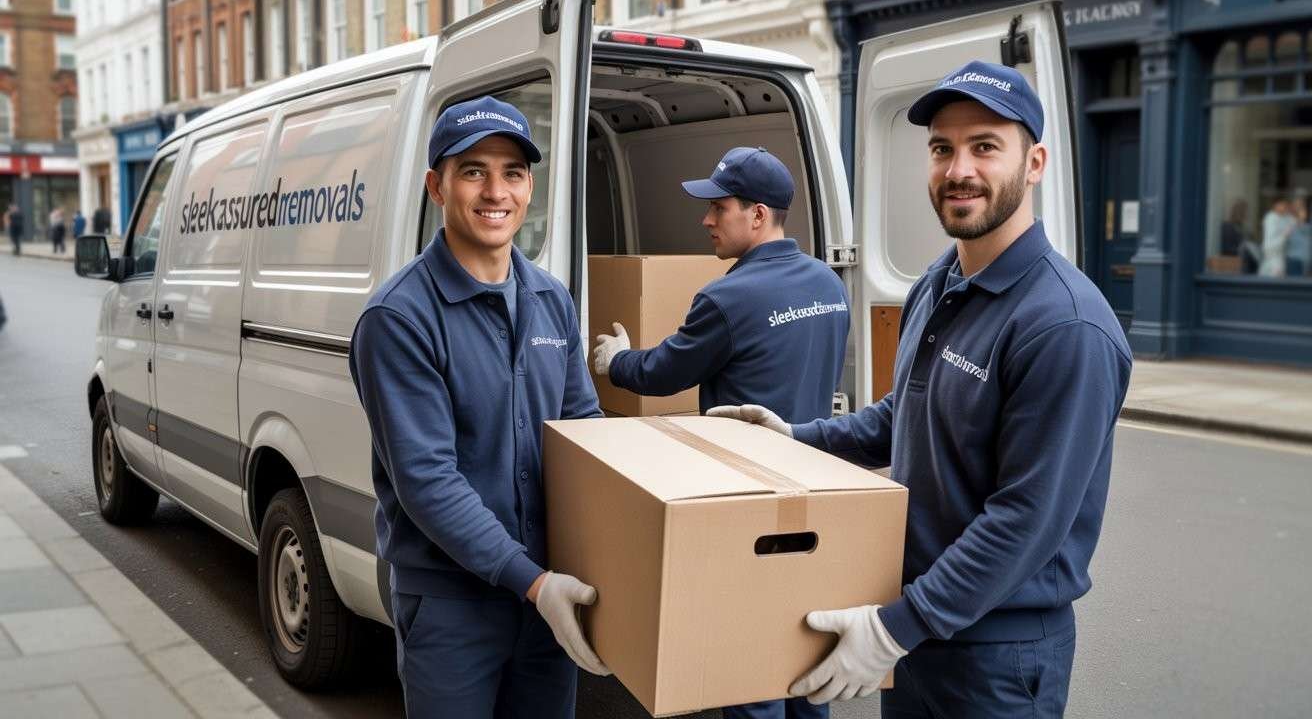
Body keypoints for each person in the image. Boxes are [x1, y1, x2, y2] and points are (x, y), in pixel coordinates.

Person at [711, 61, 1132, 718]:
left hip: (996, 656)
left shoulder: (1065, 325)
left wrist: (893, 629)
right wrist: (794, 437)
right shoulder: (937, 284)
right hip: (921, 628)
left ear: (1035, 163)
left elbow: (1026, 520)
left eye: (985, 146)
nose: (958, 169)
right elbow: (901, 417)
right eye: (942, 148)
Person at [349, 96, 608, 719]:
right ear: (437, 186)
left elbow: (583, 429)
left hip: (548, 594)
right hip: (452, 605)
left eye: (512, 173)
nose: (496, 192)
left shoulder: (551, 299)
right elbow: (427, 480)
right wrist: (534, 583)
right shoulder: (399, 317)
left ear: (530, 188)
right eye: (473, 171)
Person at [592, 147, 848, 719]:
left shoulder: (728, 296)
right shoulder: (829, 285)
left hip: (747, 503)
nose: (706, 219)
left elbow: (664, 373)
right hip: (815, 489)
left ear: (757, 215)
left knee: (750, 663)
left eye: (719, 207)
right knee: (807, 652)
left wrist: (616, 359)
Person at [1260, 198, 1294, 277]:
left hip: (1281, 252)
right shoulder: (1270, 218)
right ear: (1275, 206)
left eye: (1286, 205)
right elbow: (1271, 239)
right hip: (1272, 251)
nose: (1284, 207)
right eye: (1282, 205)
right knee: (1274, 274)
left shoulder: (1287, 217)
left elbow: (1294, 223)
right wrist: (1285, 235)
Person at [1285, 198, 1310, 277]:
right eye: (1296, 206)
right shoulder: (1289, 222)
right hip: (1294, 259)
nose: (1299, 209)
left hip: (1305, 261)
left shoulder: (1307, 226)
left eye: (1301, 207)